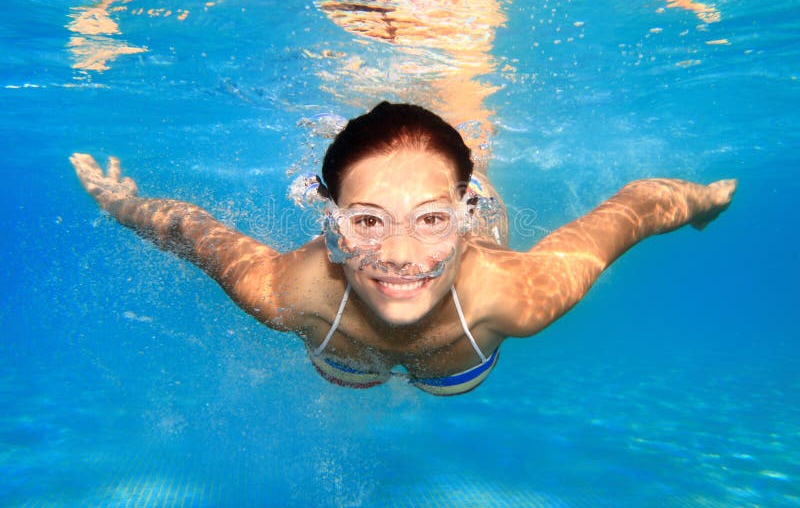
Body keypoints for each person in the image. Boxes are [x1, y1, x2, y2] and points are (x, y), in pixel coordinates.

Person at [70, 101, 736, 395]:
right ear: (331, 225)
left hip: (457, 360)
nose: (398, 254)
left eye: (430, 219)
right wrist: (118, 203)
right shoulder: (288, 293)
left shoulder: (516, 296)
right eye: (365, 222)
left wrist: (700, 203)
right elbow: (186, 231)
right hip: (342, 348)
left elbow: (639, 208)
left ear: (465, 215)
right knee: (345, 370)